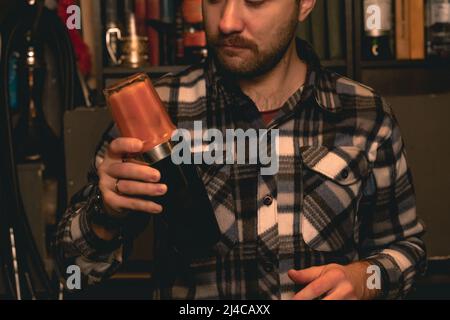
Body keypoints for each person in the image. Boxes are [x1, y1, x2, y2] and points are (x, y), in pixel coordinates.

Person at [55, 0, 426, 300]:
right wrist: (104, 216)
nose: (227, 21)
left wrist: (365, 280)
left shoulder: (364, 114)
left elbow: (407, 250)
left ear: (305, 4)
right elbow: (74, 273)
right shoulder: (155, 108)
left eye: (255, 1)